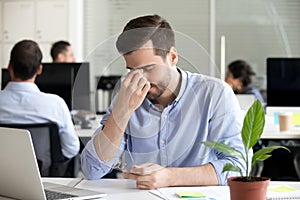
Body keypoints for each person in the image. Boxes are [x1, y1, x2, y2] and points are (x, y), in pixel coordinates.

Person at [81, 14, 245, 189]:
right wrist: (122, 110)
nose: (140, 80)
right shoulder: (127, 95)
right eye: (132, 70)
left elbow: (238, 168)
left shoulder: (215, 94)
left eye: (148, 68)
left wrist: (170, 177)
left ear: (172, 57)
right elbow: (92, 169)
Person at [0, 39, 80, 161]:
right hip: (44, 176)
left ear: (9, 66)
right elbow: (72, 148)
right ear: (40, 69)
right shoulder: (56, 104)